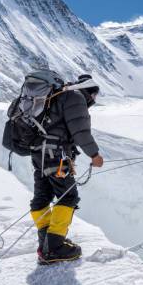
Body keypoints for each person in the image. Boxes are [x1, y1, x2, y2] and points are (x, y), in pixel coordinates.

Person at [29, 74, 104, 265]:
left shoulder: (57, 95)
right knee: (67, 197)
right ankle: (53, 248)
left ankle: (47, 242)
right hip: (56, 155)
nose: (93, 101)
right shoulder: (76, 97)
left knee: (42, 197)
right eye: (94, 96)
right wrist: (94, 155)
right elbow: (81, 131)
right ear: (90, 91)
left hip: (39, 153)